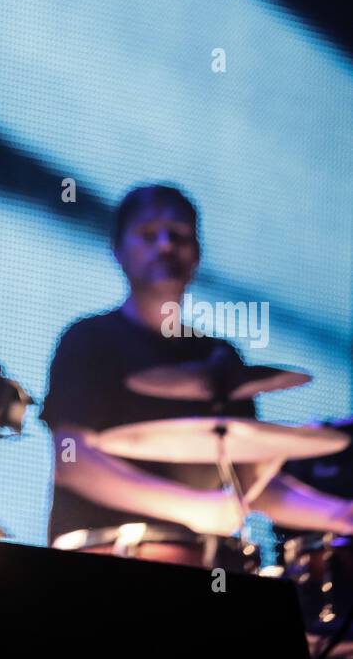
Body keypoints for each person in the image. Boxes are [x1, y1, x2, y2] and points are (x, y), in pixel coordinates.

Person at [42, 184, 353, 554]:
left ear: (197, 254)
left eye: (179, 235)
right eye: (147, 234)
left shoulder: (220, 357)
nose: (165, 245)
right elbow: (73, 461)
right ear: (117, 250)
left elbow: (250, 484)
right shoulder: (87, 339)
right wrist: (192, 507)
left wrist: (342, 513)